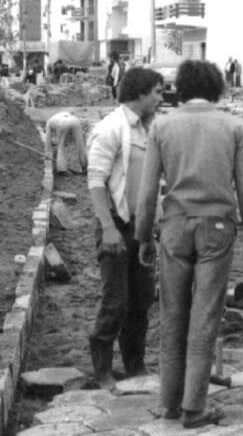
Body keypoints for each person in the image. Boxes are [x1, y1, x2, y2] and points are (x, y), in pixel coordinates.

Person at [135, 60, 243, 429]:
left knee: (173, 314)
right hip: (218, 228)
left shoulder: (161, 126)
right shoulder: (233, 126)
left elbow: (146, 194)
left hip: (174, 227)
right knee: (205, 316)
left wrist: (143, 236)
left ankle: (168, 403)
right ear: (218, 88)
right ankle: (195, 407)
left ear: (181, 89)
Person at [85, 67, 165, 389]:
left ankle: (135, 365)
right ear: (142, 93)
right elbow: (95, 181)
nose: (161, 98)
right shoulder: (111, 129)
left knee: (141, 299)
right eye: (158, 92)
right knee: (115, 300)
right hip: (116, 226)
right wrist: (107, 228)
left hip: (140, 228)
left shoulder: (149, 130)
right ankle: (102, 370)